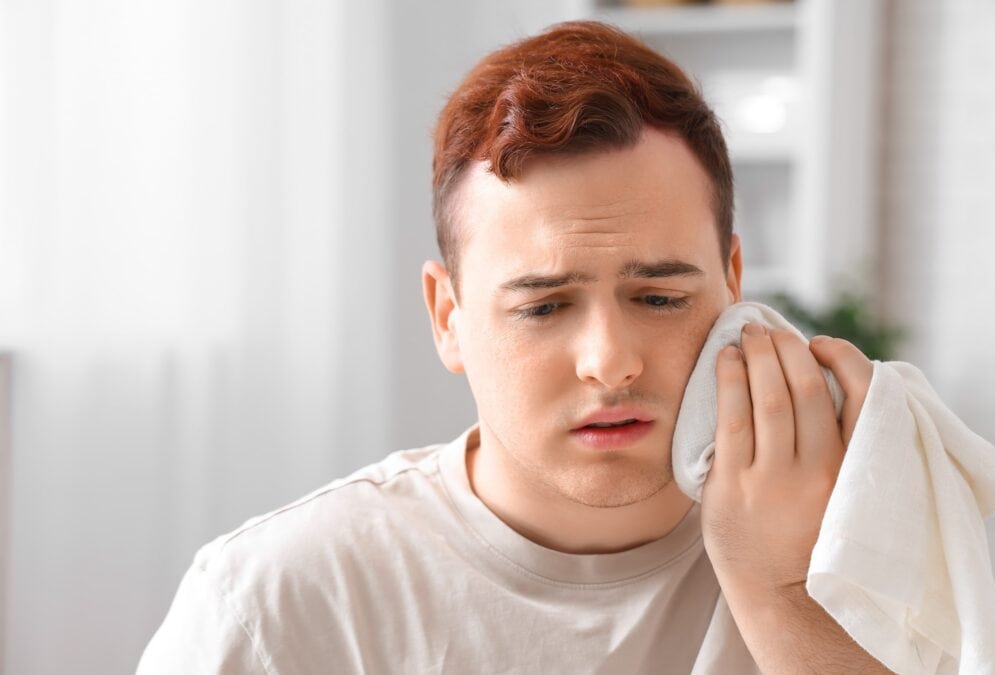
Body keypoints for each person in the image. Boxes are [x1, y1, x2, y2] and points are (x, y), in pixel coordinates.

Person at [138, 21, 887, 674]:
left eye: (659, 297)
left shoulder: (864, 548)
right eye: (544, 306)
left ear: (732, 283)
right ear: (447, 316)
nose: (609, 360)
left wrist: (785, 597)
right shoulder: (273, 607)